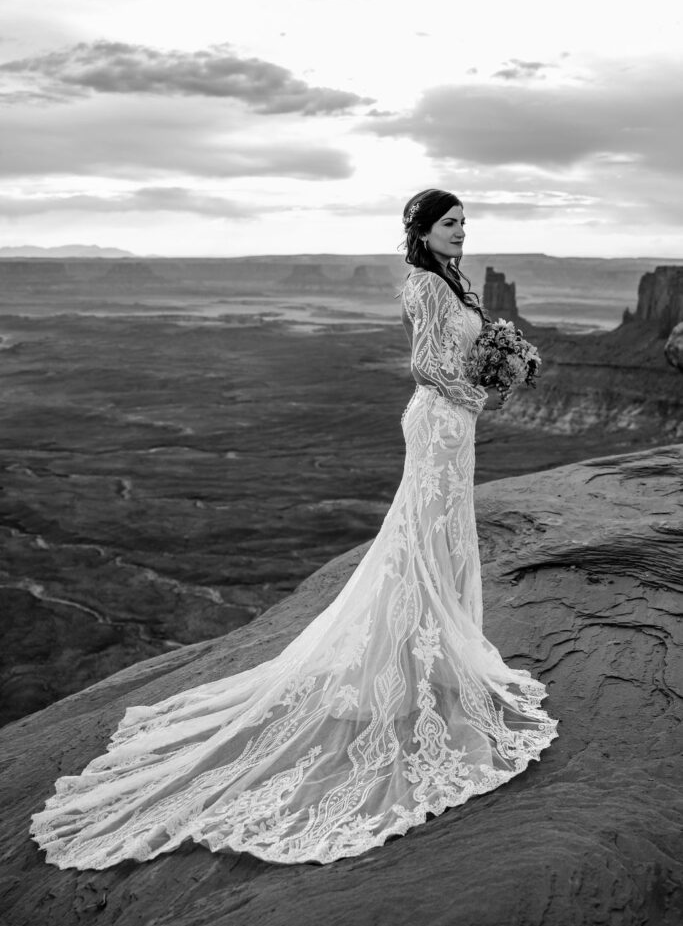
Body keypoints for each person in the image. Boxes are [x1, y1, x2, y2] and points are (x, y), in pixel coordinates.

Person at [30, 188, 558, 870]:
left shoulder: (450, 278)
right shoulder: (426, 283)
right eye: (450, 223)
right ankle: (409, 671)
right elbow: (424, 364)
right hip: (437, 422)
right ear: (422, 232)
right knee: (423, 541)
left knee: (440, 538)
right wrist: (484, 388)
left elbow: (455, 352)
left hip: (452, 427)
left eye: (463, 223)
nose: (462, 232)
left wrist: (497, 368)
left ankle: (429, 662)